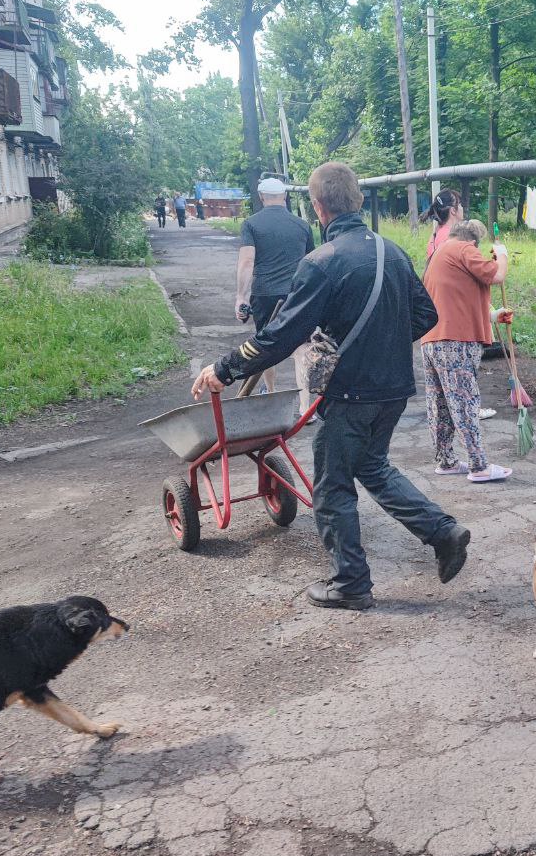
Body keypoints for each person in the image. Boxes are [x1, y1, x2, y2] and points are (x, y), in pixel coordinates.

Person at [191, 161, 471, 611]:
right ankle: (443, 532)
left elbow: (279, 337)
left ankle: (351, 584)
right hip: (395, 389)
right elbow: (426, 317)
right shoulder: (393, 252)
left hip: (351, 394)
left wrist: (223, 369)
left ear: (317, 207)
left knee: (332, 487)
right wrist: (380, 347)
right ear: (357, 201)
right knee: (373, 467)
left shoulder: (321, 263)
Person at [420, 219, 513, 482]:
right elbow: (496, 275)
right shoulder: (463, 249)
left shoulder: (440, 254)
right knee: (464, 403)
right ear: (473, 241)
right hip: (455, 342)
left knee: (440, 406)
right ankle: (478, 465)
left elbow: (457, 297)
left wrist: (492, 316)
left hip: (433, 339)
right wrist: (502, 255)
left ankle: (447, 460)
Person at [235, 177, 316, 403]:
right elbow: (312, 262)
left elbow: (246, 262)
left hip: (265, 294)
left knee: (265, 345)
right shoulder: (302, 225)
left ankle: (270, 394)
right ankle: (304, 406)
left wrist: (241, 297)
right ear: (285, 197)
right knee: (301, 348)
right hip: (296, 294)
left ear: (261, 197)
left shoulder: (251, 224)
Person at [422, 188, 463, 267]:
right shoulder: (450, 237)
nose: (462, 207)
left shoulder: (438, 232)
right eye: (460, 204)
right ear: (453, 210)